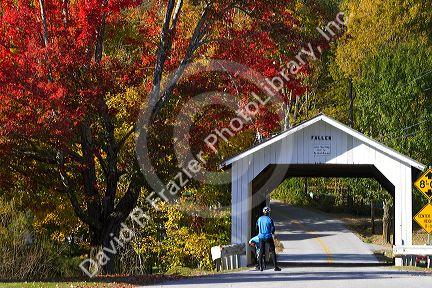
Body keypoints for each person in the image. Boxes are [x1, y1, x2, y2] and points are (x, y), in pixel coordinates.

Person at [256, 206, 281, 271]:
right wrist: (272, 233)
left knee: (261, 251)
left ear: (263, 212)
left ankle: (261, 267)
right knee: (272, 251)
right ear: (268, 212)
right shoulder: (270, 219)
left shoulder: (259, 219)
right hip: (268, 236)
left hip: (261, 237)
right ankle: (275, 267)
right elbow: (273, 229)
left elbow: (256, 228)